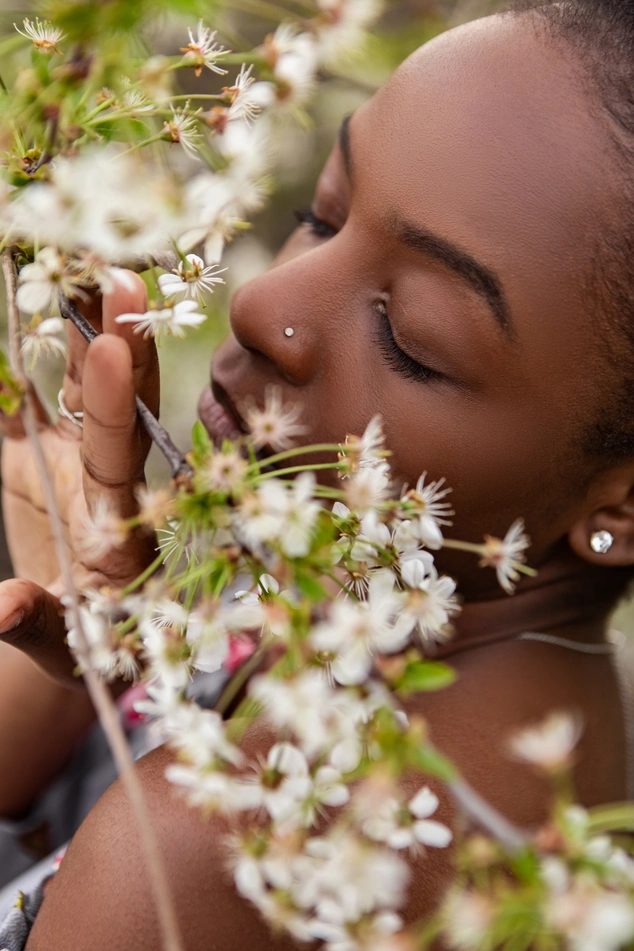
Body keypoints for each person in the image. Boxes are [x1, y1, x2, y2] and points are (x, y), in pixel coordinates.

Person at [0, 0, 633, 946]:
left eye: (410, 336)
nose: (260, 302)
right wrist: (82, 653)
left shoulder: (212, 852)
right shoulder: (354, 628)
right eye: (322, 213)